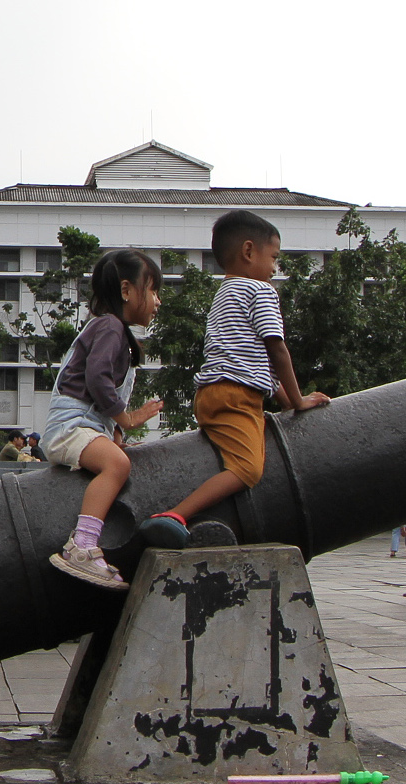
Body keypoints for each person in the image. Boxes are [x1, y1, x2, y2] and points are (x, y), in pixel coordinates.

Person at [139, 211, 329, 544]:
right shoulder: (261, 292)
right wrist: (299, 401)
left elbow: (258, 363)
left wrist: (285, 403)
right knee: (247, 470)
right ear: (249, 252)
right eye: (274, 258)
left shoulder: (223, 294)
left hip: (210, 395)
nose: (274, 268)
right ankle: (176, 514)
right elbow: (277, 350)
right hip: (237, 397)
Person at [43, 250, 166, 590]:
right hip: (71, 428)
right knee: (117, 467)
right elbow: (97, 379)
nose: (157, 301)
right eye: (153, 290)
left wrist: (115, 435)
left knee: (119, 458)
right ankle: (81, 545)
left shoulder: (114, 332)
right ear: (127, 290)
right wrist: (125, 418)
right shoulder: (110, 327)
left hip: (82, 426)